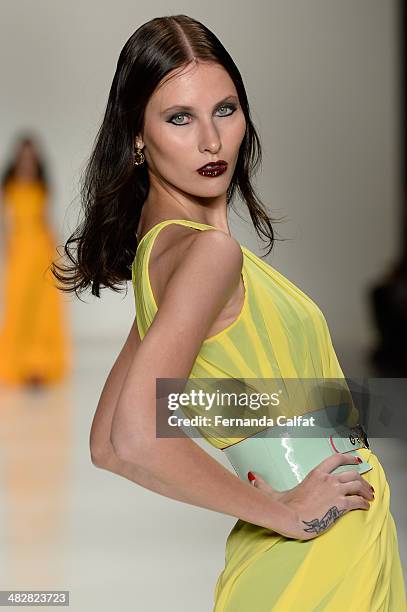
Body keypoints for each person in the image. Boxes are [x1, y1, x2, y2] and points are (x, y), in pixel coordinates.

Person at [52, 14, 407, 611]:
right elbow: (134, 439)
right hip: (321, 543)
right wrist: (283, 510)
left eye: (226, 109)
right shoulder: (208, 255)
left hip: (309, 537)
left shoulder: (160, 255)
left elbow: (107, 443)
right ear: (137, 135)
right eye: (180, 118)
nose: (212, 142)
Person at [0, 134, 70, 387]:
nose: (27, 159)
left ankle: (39, 366)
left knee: (43, 309)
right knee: (20, 306)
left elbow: (46, 218)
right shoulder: (8, 185)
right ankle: (19, 365)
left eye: (31, 155)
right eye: (23, 154)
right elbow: (5, 222)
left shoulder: (42, 185)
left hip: (42, 249)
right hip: (20, 250)